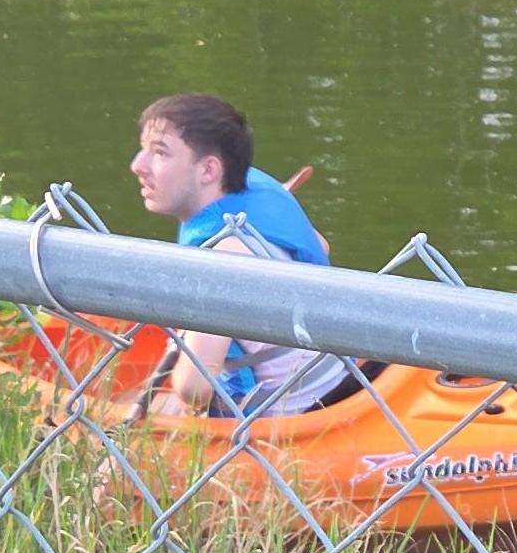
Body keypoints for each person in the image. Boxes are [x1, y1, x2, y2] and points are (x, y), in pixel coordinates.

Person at [127, 92, 358, 419]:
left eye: (160, 152)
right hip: (341, 380)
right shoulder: (260, 191)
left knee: (131, 401)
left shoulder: (223, 261)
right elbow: (319, 247)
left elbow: (195, 389)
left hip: (293, 415)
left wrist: (183, 342)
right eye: (143, 149)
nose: (138, 165)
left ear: (209, 170)